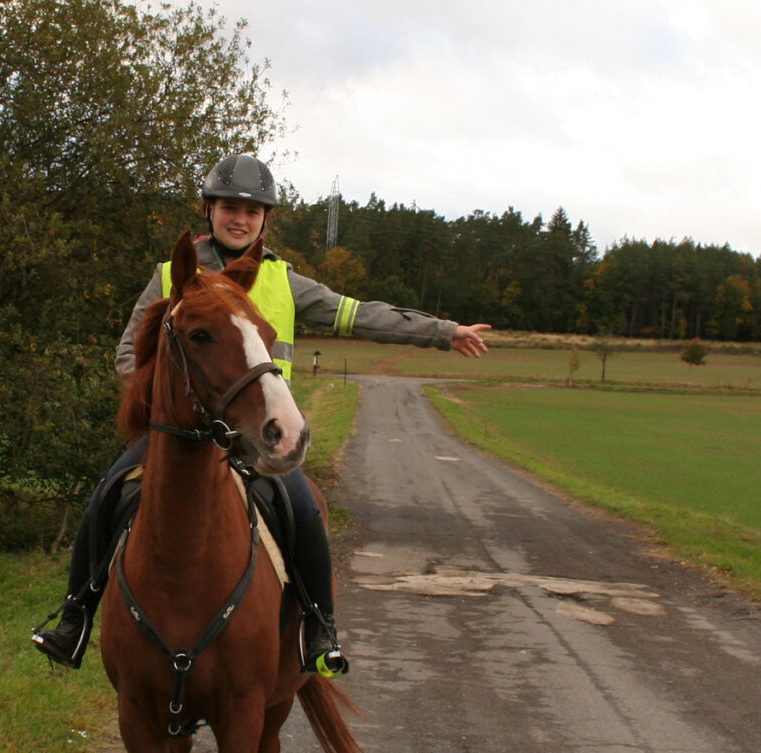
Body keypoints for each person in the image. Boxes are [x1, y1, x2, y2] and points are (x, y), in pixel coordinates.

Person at [32, 154, 490, 677]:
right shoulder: (172, 276)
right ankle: (75, 618)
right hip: (181, 433)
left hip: (261, 438)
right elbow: (128, 354)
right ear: (209, 210)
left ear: (265, 219)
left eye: (252, 211)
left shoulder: (284, 280)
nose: (240, 219)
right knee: (108, 494)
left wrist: (443, 332)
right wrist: (163, 401)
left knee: (304, 511)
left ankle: (320, 627)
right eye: (230, 207)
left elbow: (360, 315)